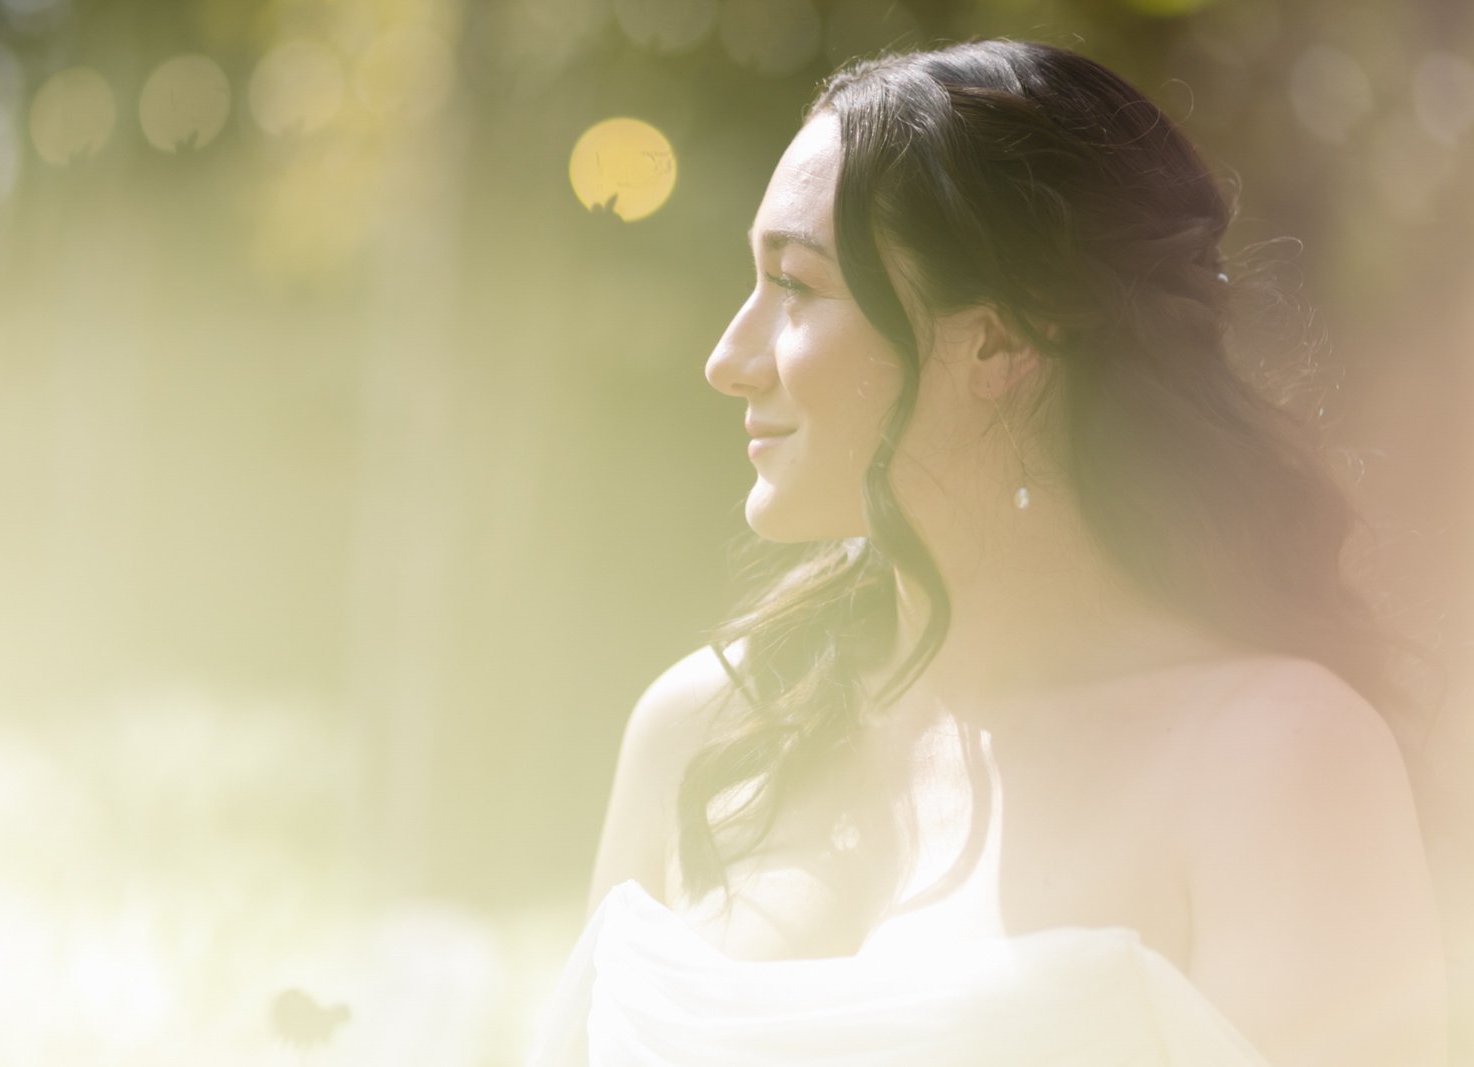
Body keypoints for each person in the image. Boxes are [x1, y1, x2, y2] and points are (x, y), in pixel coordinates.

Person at [527, 38, 1448, 1066]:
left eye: (795, 286)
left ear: (999, 341)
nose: (728, 359)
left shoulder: (1276, 756)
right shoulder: (700, 729)